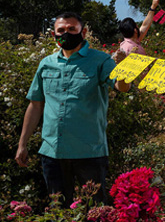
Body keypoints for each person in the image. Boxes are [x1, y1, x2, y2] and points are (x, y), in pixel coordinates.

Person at [15, 12, 130, 207]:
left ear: (83, 32)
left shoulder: (101, 61)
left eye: (72, 29)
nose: (66, 33)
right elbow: (35, 105)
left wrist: (123, 68)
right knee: (58, 212)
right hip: (53, 152)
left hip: (89, 152)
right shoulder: (46, 64)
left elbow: (122, 87)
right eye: (61, 30)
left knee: (96, 211)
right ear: (53, 34)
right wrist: (22, 144)